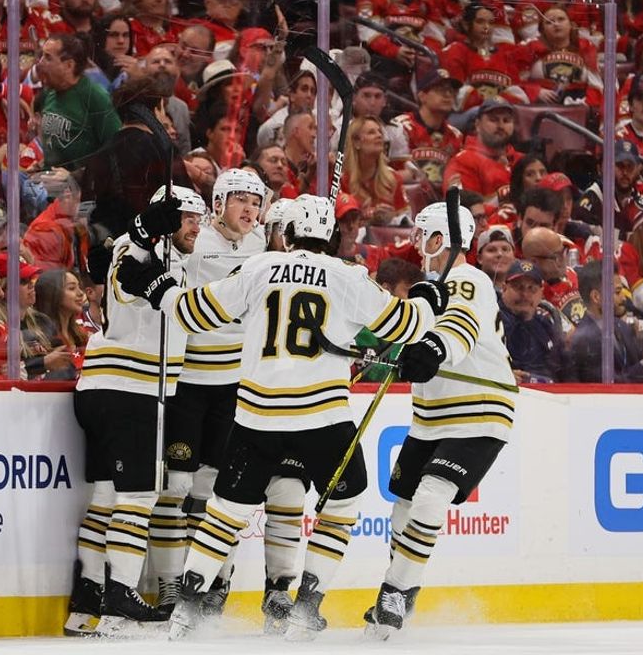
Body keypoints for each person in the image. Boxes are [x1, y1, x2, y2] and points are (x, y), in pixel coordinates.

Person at [116, 194, 446, 640]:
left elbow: (193, 314)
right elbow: (405, 326)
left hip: (256, 415)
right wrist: (428, 298)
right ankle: (307, 604)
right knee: (343, 506)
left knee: (224, 512)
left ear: (286, 235)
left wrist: (157, 286)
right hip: (323, 417)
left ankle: (187, 609)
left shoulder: (258, 268)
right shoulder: (347, 276)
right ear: (330, 236)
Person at [363, 200, 515, 639]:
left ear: (436, 239)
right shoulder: (429, 287)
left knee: (431, 497)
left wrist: (433, 350)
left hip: (480, 407)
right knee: (404, 506)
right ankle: (403, 591)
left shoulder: (466, 277)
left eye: (421, 235)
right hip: (431, 415)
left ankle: (394, 589)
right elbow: (406, 336)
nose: (416, 243)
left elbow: (460, 327)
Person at [66, 185, 203, 635]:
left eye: (199, 218)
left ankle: (86, 603)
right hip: (133, 389)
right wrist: (144, 235)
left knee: (105, 497)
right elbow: (127, 278)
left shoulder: (158, 253)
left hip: (103, 386)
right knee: (139, 496)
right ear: (162, 218)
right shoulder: (137, 248)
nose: (194, 227)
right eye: (186, 217)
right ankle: (120, 599)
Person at [155, 169, 275, 621]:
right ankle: (169, 585)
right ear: (218, 203)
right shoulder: (193, 242)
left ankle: (215, 581)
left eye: (255, 201)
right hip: (187, 384)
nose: (249, 208)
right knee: (177, 487)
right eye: (239, 199)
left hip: (234, 387)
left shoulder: (263, 249)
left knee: (217, 489)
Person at [36, 34, 121, 171]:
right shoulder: (48, 93)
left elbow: (116, 150)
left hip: (81, 187)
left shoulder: (95, 97)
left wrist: (77, 177)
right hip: (49, 183)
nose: (40, 63)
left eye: (48, 58)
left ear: (69, 65)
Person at [564, 261, 643, 383]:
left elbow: (637, 363)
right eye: (617, 292)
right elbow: (607, 388)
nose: (623, 298)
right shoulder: (583, 340)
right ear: (596, 297)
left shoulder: (623, 327)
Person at [498, 259, 563, 382]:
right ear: (504, 288)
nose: (525, 294)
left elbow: (560, 367)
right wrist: (499, 374)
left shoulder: (545, 323)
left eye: (532, 289)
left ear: (541, 293)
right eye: (518, 287)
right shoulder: (492, 322)